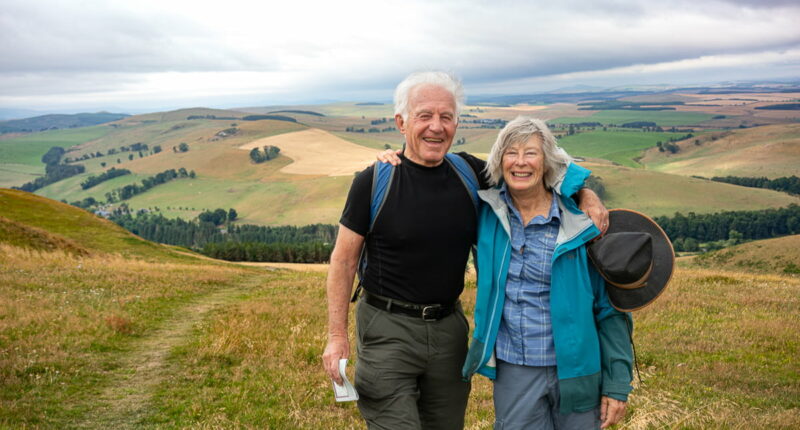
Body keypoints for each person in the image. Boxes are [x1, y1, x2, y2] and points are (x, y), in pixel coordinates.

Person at [322, 71, 608, 430]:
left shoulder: (470, 173)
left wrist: (586, 194)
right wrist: (337, 337)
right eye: (424, 116)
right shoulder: (374, 181)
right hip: (387, 330)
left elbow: (537, 167)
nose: (436, 127)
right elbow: (344, 260)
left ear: (457, 123)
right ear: (401, 122)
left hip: (449, 332)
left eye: (446, 117)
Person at [461, 116, 633, 430]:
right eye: (511, 153)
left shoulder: (579, 224)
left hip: (578, 369)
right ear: (500, 161)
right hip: (515, 370)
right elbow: (435, 167)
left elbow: (609, 308)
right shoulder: (486, 215)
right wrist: (392, 160)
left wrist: (617, 382)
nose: (520, 162)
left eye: (531, 153)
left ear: (548, 163)